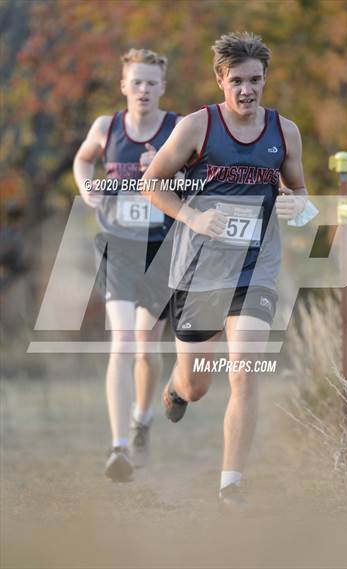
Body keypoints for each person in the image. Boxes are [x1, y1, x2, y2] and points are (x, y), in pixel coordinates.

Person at [142, 32, 308, 509]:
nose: (247, 90)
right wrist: (193, 217)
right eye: (236, 80)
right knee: (197, 384)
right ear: (220, 80)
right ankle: (177, 385)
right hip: (199, 271)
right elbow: (152, 184)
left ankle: (231, 483)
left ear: (265, 79)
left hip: (255, 269)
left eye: (255, 80)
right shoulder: (197, 128)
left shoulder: (284, 132)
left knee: (244, 375)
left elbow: (299, 191)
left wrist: (297, 204)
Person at [73, 48, 181, 482]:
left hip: (162, 248)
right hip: (119, 247)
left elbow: (203, 173)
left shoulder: (177, 129)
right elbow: (83, 160)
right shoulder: (107, 127)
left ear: (162, 88)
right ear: (123, 86)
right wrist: (87, 188)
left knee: (145, 348)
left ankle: (142, 417)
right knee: (122, 343)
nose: (143, 89)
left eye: (151, 82)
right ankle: (118, 448)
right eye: (136, 82)